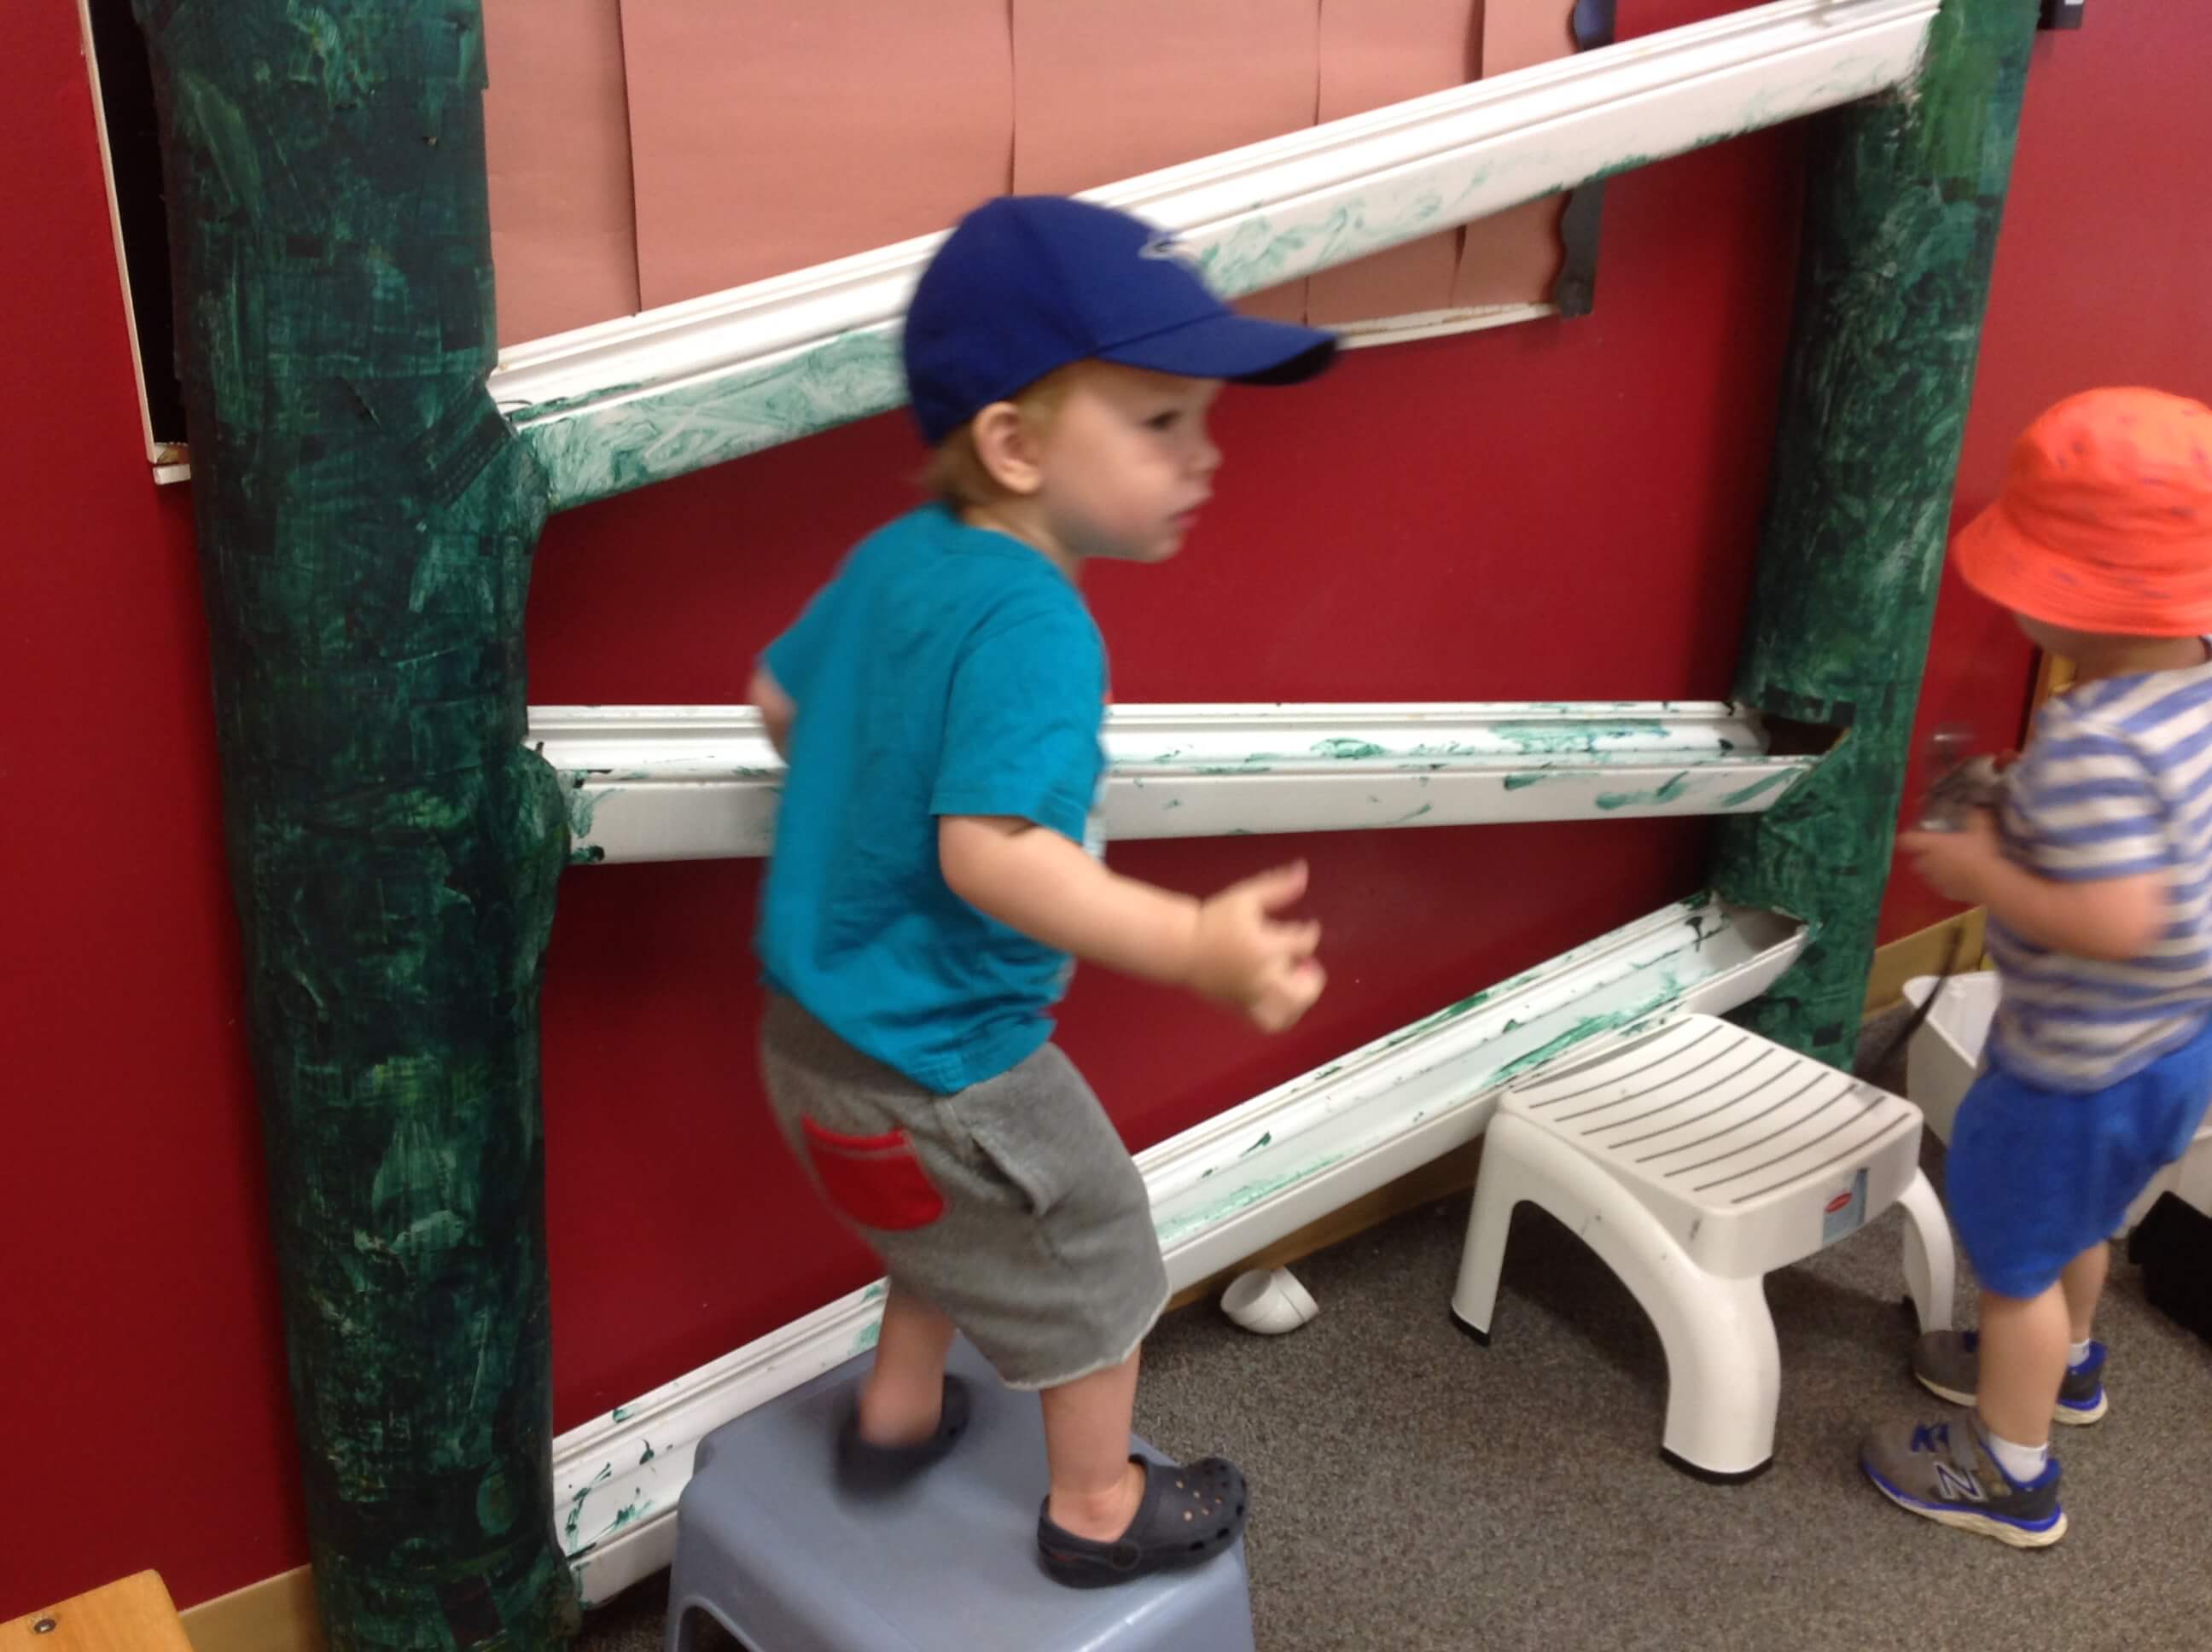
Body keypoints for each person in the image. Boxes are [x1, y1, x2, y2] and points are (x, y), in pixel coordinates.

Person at [748, 195, 1336, 1586]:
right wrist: (1193, 943)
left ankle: (895, 1420)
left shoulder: (895, 561)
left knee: (955, 1236)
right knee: (1099, 1251)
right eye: (1161, 420)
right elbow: (992, 855)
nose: (1206, 453)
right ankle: (1095, 1508)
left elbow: (778, 701)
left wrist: (868, 780)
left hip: (811, 1048)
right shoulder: (1034, 623)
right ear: (1014, 445)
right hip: (953, 1069)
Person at [1864, 387, 2212, 1547]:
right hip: (2174, 1051)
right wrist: (2042, 808)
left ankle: (2008, 1473)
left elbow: (2117, 919)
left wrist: (1982, 868)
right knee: (2085, 1224)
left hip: (2071, 1069)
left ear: (2071, 600)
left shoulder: (2095, 740)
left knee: (2015, 1266)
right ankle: (2071, 1365)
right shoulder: (2191, 699)